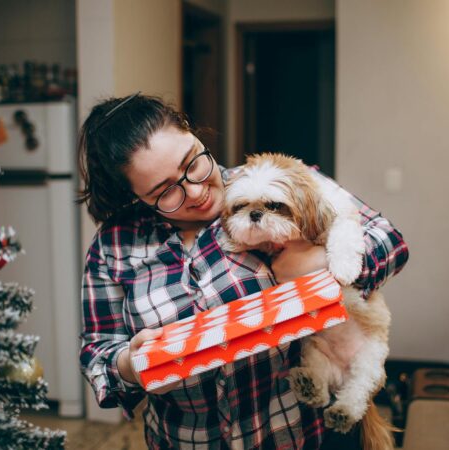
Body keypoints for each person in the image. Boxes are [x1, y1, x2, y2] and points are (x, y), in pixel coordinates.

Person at [77, 92, 409, 450]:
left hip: (295, 434)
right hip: (183, 440)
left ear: (193, 133)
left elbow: (390, 242)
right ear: (135, 196)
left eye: (193, 162)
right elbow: (97, 353)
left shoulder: (269, 183)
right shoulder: (113, 247)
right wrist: (129, 365)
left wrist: (321, 264)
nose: (195, 191)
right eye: (165, 191)